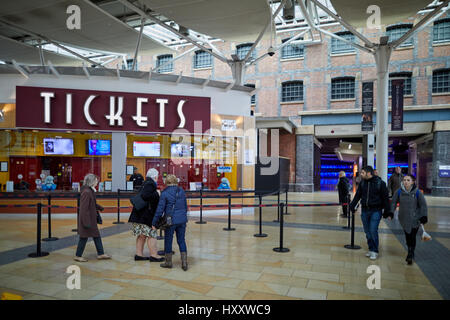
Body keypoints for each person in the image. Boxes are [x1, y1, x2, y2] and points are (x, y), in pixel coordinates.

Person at [349, 166, 390, 260]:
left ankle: (375, 251)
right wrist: (352, 205)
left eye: (363, 173)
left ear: (369, 173)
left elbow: (385, 199)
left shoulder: (381, 183)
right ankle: (371, 249)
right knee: (367, 231)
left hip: (376, 211)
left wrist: (387, 211)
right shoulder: (363, 183)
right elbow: (358, 196)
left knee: (372, 230)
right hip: (364, 210)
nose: (361, 174)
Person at [386, 174, 428, 265]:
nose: (406, 182)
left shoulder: (417, 192)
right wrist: (391, 213)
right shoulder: (399, 192)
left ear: (413, 182)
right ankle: (410, 249)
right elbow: (393, 203)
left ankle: (410, 253)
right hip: (403, 218)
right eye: (404, 180)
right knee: (407, 235)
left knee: (412, 235)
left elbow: (423, 205)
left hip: (415, 219)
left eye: (408, 180)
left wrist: (424, 216)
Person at [152, 174, 189, 271]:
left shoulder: (164, 193)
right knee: (181, 240)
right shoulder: (181, 191)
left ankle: (168, 262)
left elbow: (160, 210)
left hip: (170, 220)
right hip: (182, 220)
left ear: (166, 182)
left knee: (168, 240)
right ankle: (184, 262)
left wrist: (154, 222)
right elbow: (185, 207)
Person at [128, 168, 164, 262]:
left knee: (141, 235)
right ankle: (154, 255)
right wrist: (157, 193)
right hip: (146, 216)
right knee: (152, 235)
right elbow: (145, 196)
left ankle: (139, 255)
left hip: (139, 215)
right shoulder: (150, 184)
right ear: (155, 176)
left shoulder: (145, 183)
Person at [74, 174, 111, 262]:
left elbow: (91, 204)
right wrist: (86, 222)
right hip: (87, 220)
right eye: (96, 180)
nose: (97, 182)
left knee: (96, 235)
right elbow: (84, 208)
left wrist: (100, 207)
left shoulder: (89, 190)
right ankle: (78, 256)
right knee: (84, 237)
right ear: (91, 181)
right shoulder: (87, 192)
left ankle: (101, 253)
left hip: (91, 219)